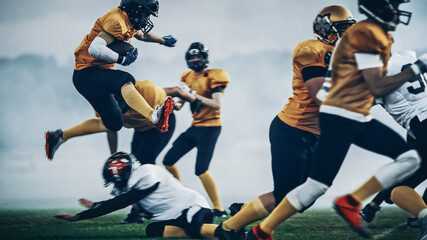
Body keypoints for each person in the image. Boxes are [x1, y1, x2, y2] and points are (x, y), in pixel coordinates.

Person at [245, 0, 427, 239]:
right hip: (325, 122)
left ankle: (264, 230)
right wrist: (413, 70)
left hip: (347, 119)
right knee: (312, 187)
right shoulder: (318, 50)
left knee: (405, 161)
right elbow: (327, 94)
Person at [214, 5, 356, 239]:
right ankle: (229, 229)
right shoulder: (310, 48)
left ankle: (242, 213)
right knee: (287, 194)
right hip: (293, 129)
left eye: (350, 28)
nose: (348, 34)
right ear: (326, 29)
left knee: (305, 196)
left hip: (316, 134)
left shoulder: (346, 55)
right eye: (342, 28)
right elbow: (319, 92)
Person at [51, 0, 177, 161]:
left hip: (90, 76)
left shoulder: (129, 20)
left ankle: (59, 137)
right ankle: (153, 116)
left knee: (114, 123)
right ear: (136, 10)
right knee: (126, 79)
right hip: (87, 73)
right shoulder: (116, 21)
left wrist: (163, 41)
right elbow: (95, 48)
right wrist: (121, 59)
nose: (147, 19)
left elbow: (141, 35)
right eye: (145, 14)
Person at [54, 152, 217, 239]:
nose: (117, 186)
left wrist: (81, 216)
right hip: (176, 216)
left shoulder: (147, 173)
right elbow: (120, 200)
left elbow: (121, 202)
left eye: (117, 181)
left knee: (193, 227)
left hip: (194, 208)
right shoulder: (134, 181)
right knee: (153, 230)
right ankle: (205, 233)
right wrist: (96, 206)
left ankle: (235, 234)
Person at [45, 80, 199, 162]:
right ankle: (61, 136)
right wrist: (114, 156)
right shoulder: (104, 102)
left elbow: (176, 90)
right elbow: (111, 128)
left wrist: (193, 100)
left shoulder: (148, 91)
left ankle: (139, 210)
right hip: (140, 128)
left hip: (161, 125)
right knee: (134, 163)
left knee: (146, 161)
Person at [359, 50, 427, 228]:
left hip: (422, 123)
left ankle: (420, 217)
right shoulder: (408, 56)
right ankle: (377, 206)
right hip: (418, 127)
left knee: (401, 185)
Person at [162, 42, 230, 218]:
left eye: (197, 56)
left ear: (204, 57)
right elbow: (180, 104)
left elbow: (217, 104)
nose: (194, 59)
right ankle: (182, 197)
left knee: (201, 169)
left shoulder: (214, 75)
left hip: (211, 128)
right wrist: (168, 106)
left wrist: (193, 96)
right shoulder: (187, 76)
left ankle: (219, 209)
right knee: (168, 160)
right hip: (195, 127)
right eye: (191, 57)